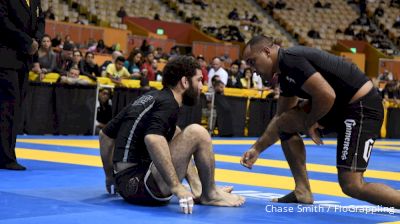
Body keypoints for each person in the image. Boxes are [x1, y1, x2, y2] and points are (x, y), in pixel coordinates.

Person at [241, 35, 400, 208]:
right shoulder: (284, 72)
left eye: (252, 61)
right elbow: (280, 118)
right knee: (285, 124)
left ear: (266, 52)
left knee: (352, 185)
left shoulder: (291, 59)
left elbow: (326, 94)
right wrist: (257, 149)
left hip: (362, 106)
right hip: (341, 106)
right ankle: (302, 190)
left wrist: (309, 122)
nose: (252, 69)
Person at [99, 56, 244, 214]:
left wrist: (110, 176)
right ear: (184, 82)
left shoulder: (149, 99)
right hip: (145, 187)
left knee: (176, 132)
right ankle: (210, 194)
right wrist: (177, 187)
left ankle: (198, 189)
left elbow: (105, 136)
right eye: (199, 80)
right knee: (197, 132)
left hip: (126, 186)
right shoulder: (169, 103)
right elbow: (153, 138)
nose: (201, 86)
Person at [0, 0, 45, 170]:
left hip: (23, 61)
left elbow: (40, 20)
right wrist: (27, 41)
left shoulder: (35, 0)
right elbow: (2, 21)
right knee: (7, 109)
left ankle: (7, 153)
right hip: (5, 58)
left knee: (15, 109)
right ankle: (5, 157)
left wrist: (37, 40)